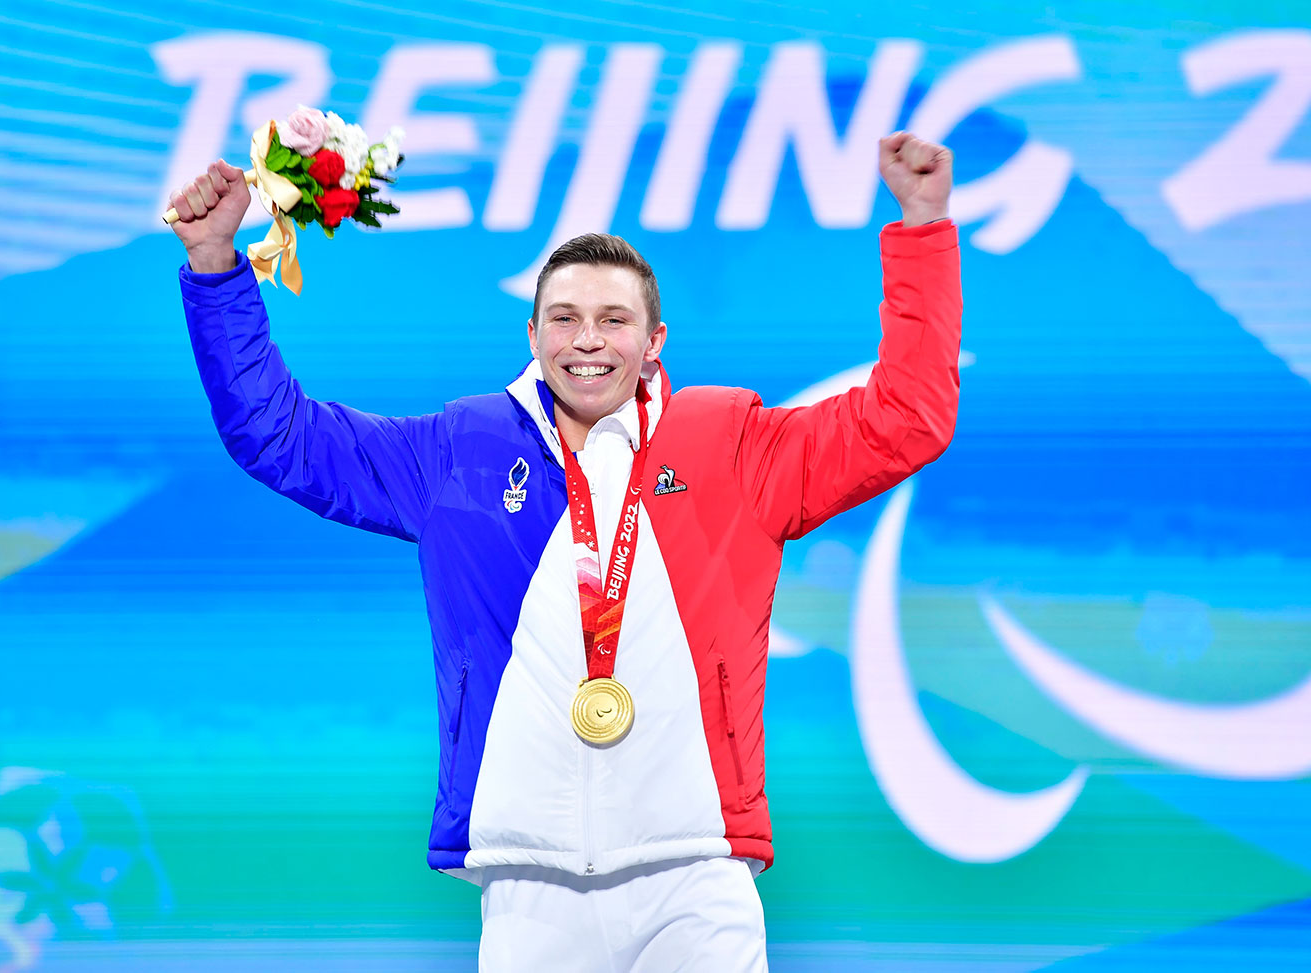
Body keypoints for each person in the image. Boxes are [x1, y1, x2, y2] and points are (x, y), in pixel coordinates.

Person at [170, 130, 960, 972]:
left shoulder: (732, 446)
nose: (589, 339)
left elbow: (904, 419)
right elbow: (278, 435)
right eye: (567, 318)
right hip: (531, 887)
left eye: (615, 319)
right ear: (533, 332)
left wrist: (921, 226)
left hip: (697, 872)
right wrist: (218, 266)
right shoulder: (457, 453)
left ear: (655, 340)